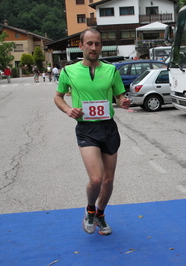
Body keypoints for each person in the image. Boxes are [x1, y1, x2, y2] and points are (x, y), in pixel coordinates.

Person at [54, 29, 130, 236]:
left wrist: (123, 101)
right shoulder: (68, 71)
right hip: (86, 129)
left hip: (108, 127)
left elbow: (119, 97)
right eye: (89, 44)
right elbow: (58, 97)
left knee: (108, 180)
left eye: (97, 44)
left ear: (101, 46)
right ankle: (89, 210)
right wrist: (69, 109)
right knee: (96, 179)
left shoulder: (111, 70)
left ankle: (101, 214)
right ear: (81, 46)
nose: (93, 48)